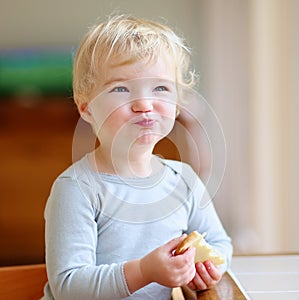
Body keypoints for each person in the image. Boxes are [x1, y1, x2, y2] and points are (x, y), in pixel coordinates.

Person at [42, 15, 232, 300]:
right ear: (87, 108)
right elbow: (68, 286)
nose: (144, 104)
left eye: (161, 88)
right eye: (121, 89)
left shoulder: (184, 180)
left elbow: (220, 242)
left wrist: (209, 267)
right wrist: (144, 271)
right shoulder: (76, 189)